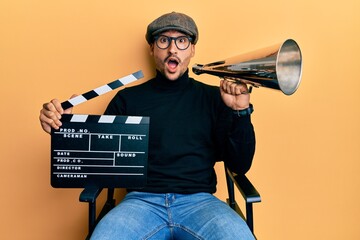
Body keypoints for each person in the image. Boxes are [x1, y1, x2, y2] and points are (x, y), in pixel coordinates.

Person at [40, 12, 256, 240]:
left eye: (181, 41)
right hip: (139, 203)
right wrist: (63, 128)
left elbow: (240, 165)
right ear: (153, 48)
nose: (173, 49)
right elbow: (97, 164)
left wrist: (240, 112)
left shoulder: (216, 98)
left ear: (192, 49)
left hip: (200, 203)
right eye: (164, 40)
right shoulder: (127, 99)